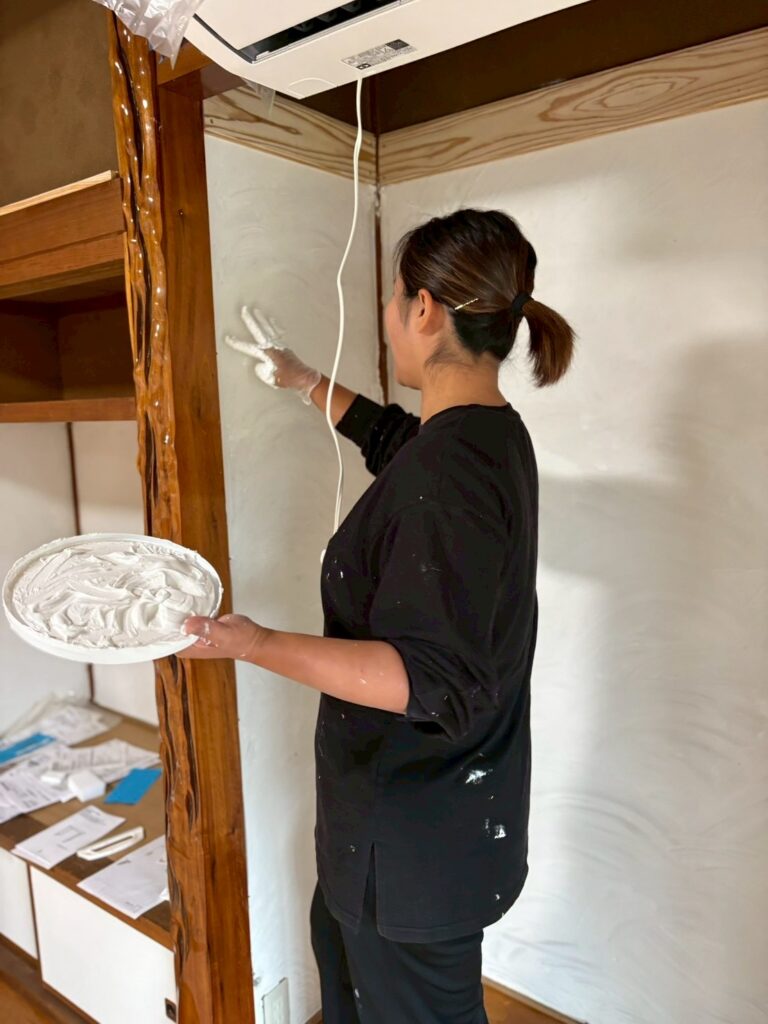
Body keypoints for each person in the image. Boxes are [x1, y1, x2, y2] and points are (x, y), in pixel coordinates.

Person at [183, 208, 575, 1024]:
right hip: (420, 825)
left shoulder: (452, 476)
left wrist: (252, 643)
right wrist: (305, 381)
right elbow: (400, 445)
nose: (389, 316)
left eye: (395, 298)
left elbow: (428, 678)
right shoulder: (485, 438)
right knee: (343, 966)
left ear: (424, 309)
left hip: (411, 845)